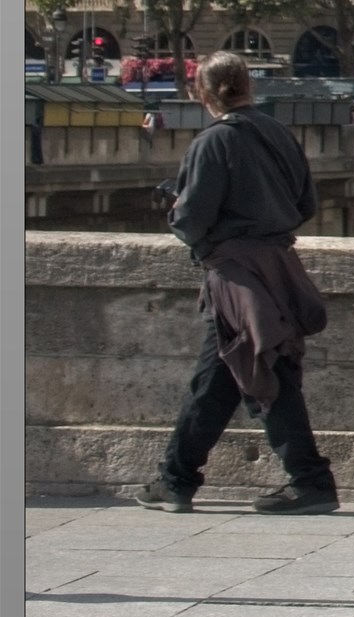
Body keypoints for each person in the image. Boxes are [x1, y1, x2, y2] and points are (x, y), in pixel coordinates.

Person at [137, 52, 338, 516]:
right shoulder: (278, 133)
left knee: (264, 370)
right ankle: (177, 479)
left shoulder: (213, 142)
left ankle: (309, 481)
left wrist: (176, 206)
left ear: (201, 93)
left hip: (235, 275)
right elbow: (305, 202)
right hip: (278, 267)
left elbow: (191, 220)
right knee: (224, 376)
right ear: (249, 85)